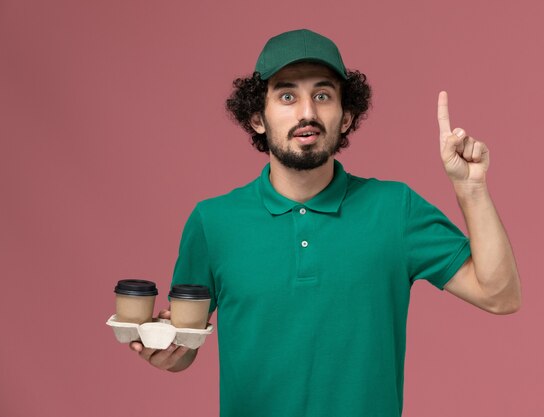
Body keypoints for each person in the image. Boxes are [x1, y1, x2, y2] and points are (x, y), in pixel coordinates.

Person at [129, 29, 521, 417]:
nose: (307, 113)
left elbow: (499, 295)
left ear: (346, 116)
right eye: (287, 96)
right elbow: (184, 351)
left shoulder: (395, 209)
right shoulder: (212, 222)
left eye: (322, 95)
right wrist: (166, 352)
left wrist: (471, 189)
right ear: (257, 118)